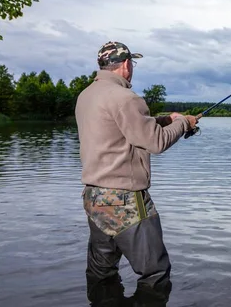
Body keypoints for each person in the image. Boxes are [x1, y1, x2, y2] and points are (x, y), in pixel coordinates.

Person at [75, 41, 198, 303]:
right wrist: (184, 123)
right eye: (133, 63)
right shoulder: (126, 98)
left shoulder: (86, 96)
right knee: (155, 274)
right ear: (127, 64)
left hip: (94, 198)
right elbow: (156, 142)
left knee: (102, 272)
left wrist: (165, 120)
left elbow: (120, 129)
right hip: (126, 202)